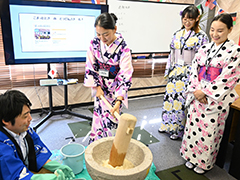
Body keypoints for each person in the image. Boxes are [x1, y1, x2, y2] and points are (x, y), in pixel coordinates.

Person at [180, 13, 240, 174]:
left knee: (209, 131)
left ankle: (204, 162)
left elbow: (229, 77)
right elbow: (194, 69)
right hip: (197, 93)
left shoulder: (235, 51)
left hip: (214, 98)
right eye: (212, 30)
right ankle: (190, 156)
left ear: (230, 29)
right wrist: (196, 90)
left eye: (220, 30)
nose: (215, 34)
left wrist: (205, 92)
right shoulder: (205, 47)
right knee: (192, 127)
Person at [158, 5, 209, 140]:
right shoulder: (177, 34)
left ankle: (177, 130)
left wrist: (198, 77)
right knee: (169, 98)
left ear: (196, 19)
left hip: (189, 71)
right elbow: (172, 53)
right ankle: (166, 124)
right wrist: (168, 70)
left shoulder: (201, 36)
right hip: (175, 70)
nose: (187, 22)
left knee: (181, 101)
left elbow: (203, 59)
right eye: (185, 19)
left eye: (190, 19)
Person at [0, 90, 75, 180]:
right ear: (6, 120)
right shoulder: (2, 147)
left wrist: (54, 166)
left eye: (29, 113)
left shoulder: (24, 131)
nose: (30, 119)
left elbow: (37, 151)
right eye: (25, 116)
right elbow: (13, 174)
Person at [84, 12, 133, 144]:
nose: (102, 38)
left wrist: (118, 100)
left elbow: (125, 73)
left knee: (112, 122)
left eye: (106, 34)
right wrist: (97, 87)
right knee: (98, 119)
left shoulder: (123, 48)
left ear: (115, 29)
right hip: (100, 88)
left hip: (115, 91)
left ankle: (111, 150)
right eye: (98, 34)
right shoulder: (94, 43)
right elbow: (91, 65)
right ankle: (97, 146)